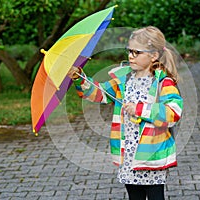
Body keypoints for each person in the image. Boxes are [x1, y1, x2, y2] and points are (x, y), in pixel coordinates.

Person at [68, 26, 183, 200]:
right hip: (128, 154)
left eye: (137, 52)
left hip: (151, 155)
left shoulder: (163, 82)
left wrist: (139, 109)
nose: (131, 56)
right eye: (129, 51)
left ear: (154, 55)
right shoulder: (124, 80)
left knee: (155, 196)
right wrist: (79, 78)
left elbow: (173, 112)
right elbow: (98, 93)